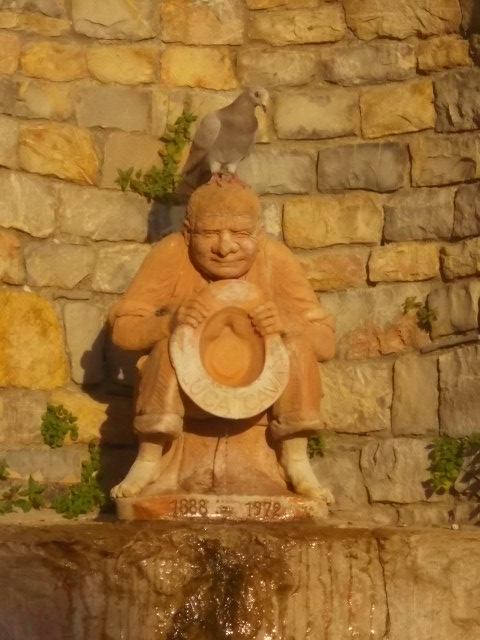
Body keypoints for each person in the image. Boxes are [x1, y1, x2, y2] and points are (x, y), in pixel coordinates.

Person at [109, 181, 335, 502]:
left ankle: (295, 459)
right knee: (167, 345)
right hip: (187, 388)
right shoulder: (172, 253)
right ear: (188, 233)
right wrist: (168, 323)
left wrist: (289, 323)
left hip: (259, 388)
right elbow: (122, 328)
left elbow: (324, 342)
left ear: (259, 234)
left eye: (240, 234)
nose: (225, 247)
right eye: (209, 233)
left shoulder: (275, 259)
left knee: (297, 346)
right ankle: (149, 459)